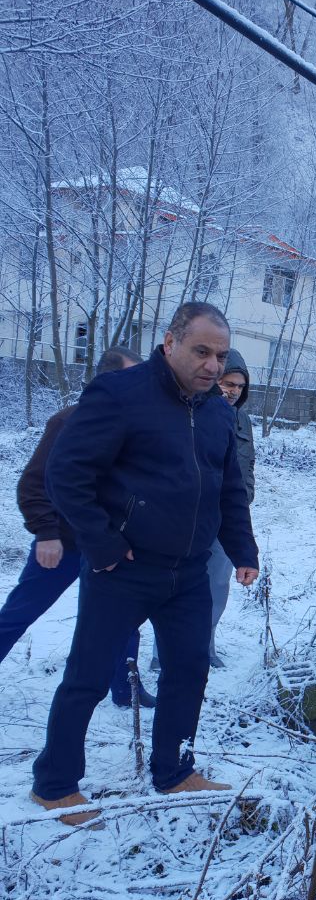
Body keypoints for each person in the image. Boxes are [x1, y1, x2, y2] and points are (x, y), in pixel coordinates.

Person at [29, 303, 259, 826]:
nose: (211, 365)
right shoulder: (120, 395)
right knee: (86, 677)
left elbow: (229, 490)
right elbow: (66, 474)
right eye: (201, 351)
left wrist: (242, 550)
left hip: (188, 573)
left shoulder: (218, 411)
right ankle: (55, 783)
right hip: (123, 570)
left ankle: (174, 770)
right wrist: (103, 545)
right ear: (170, 342)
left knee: (188, 672)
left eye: (220, 355)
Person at [0, 346, 154, 708]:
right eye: (132, 377)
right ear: (108, 378)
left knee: (124, 618)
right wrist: (46, 533)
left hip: (109, 546)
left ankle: (125, 689)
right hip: (63, 545)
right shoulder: (69, 422)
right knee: (20, 612)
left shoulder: (135, 431)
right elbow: (33, 484)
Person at [199, 348, 256, 667]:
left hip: (228, 519)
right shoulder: (197, 413)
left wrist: (246, 496)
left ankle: (206, 646)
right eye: (227, 382)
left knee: (217, 587)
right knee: (180, 587)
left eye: (239, 385)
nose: (233, 390)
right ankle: (161, 653)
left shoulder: (243, 420)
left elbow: (247, 465)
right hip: (195, 516)